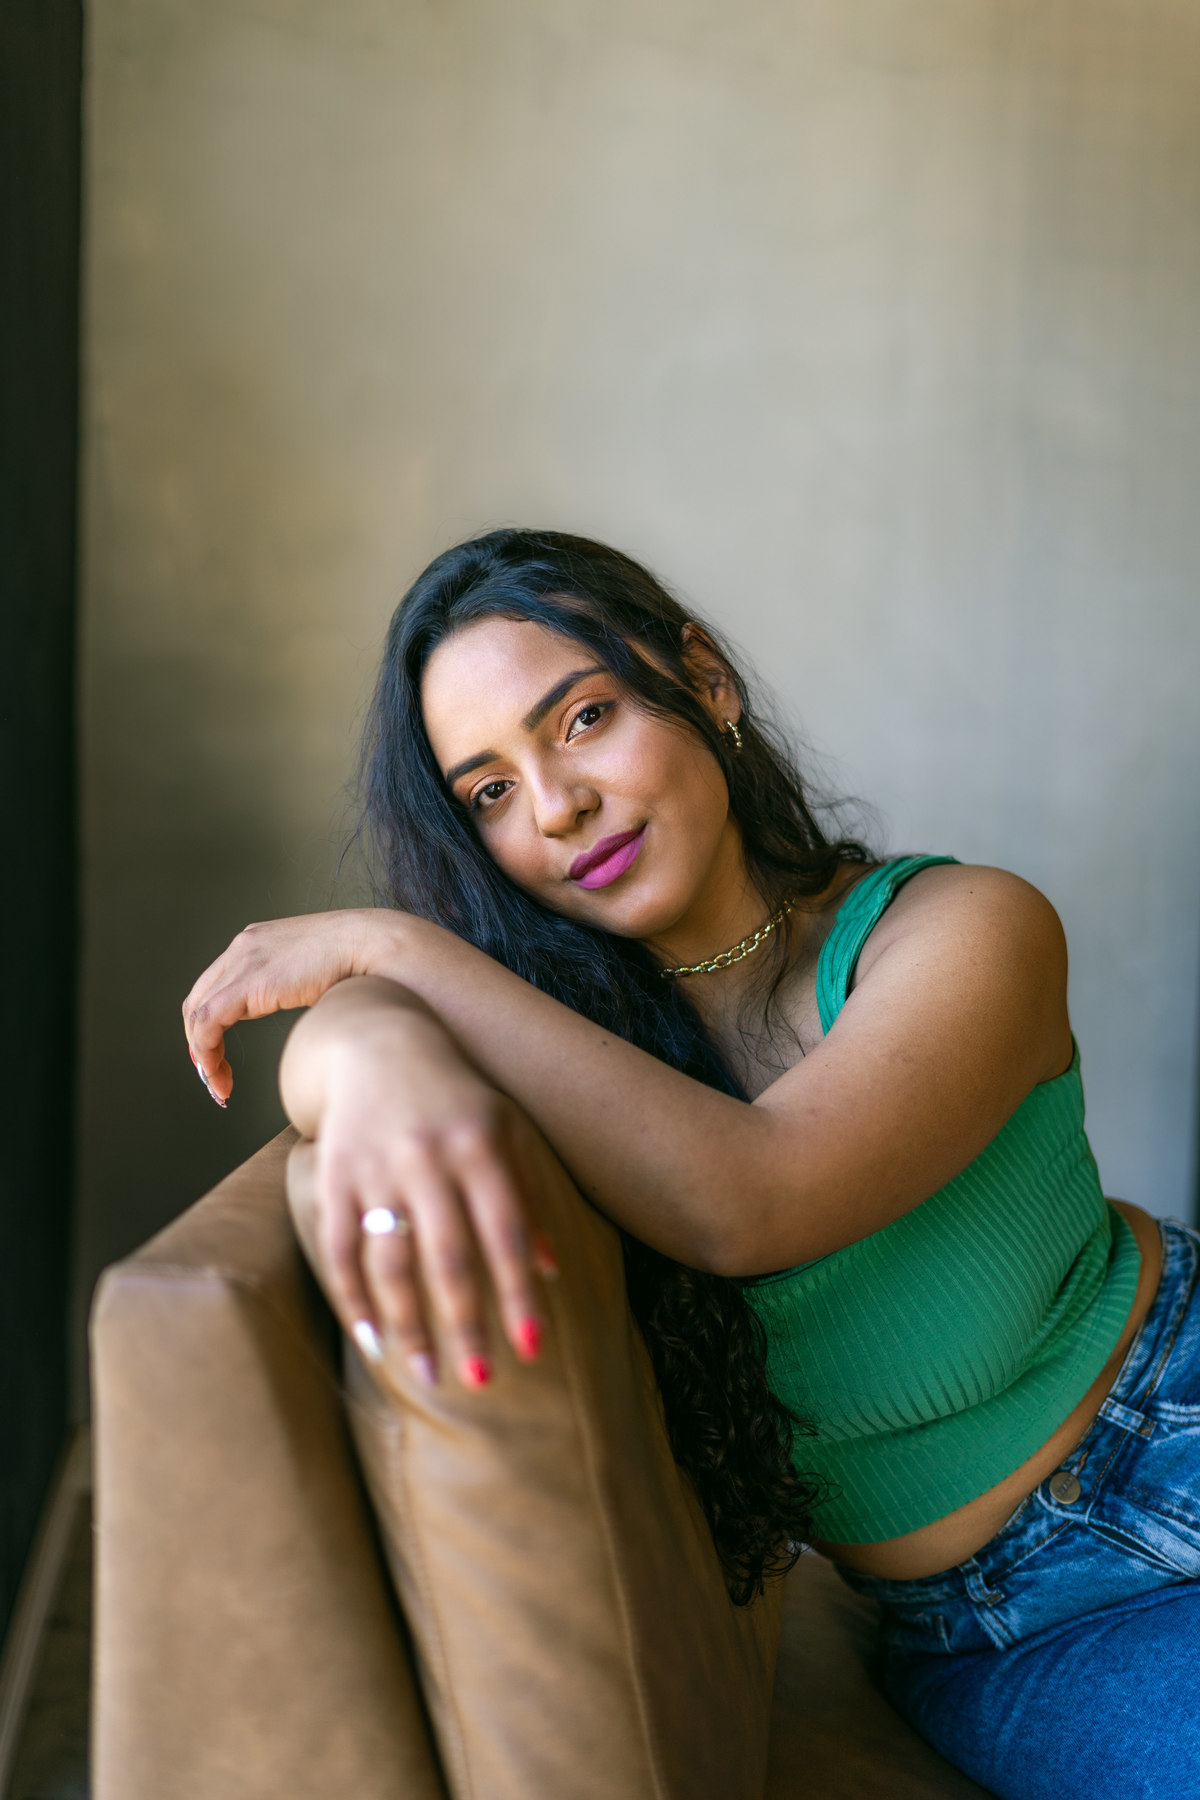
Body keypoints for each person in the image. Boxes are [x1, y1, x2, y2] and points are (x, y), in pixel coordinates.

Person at [183, 528, 1198, 1800]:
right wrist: (379, 1056)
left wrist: (395, 946)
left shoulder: (961, 926)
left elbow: (755, 1198)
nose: (558, 806)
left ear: (704, 683)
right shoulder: (566, 1056)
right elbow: (340, 1038)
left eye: (585, 717)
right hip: (1016, 1624)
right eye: (489, 792)